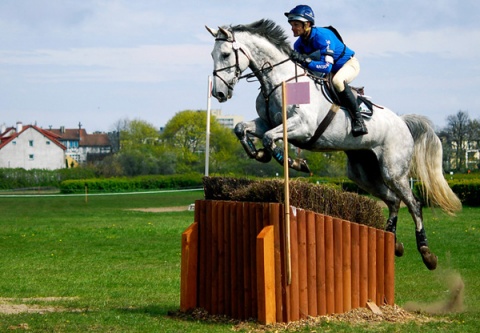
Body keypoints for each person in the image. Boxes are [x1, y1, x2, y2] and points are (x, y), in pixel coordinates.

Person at [285, 5, 368, 136]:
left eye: (296, 24)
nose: (292, 28)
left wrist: (305, 61)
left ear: (307, 24)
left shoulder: (323, 36)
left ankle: (359, 121)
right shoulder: (298, 44)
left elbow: (326, 67)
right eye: (292, 24)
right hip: (328, 71)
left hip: (348, 65)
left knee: (337, 81)